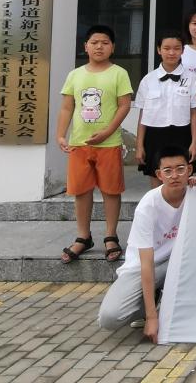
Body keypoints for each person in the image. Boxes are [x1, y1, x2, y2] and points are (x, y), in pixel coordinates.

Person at [98, 146, 196, 343]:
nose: (175, 176)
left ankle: (179, 308)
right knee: (109, 317)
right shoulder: (148, 205)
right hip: (146, 266)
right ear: (159, 175)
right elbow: (146, 263)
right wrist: (151, 317)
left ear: (189, 170)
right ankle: (152, 300)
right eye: (168, 171)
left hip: (181, 260)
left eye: (180, 169)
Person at [56, 24, 133, 263]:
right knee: (81, 190)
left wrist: (108, 131)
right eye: (94, 42)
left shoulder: (119, 73)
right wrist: (61, 135)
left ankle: (111, 236)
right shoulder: (75, 75)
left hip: (109, 143)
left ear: (113, 47)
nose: (99, 47)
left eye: (105, 43)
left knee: (111, 190)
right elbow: (67, 107)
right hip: (79, 143)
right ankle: (83, 236)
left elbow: (124, 105)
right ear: (86, 46)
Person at [134, 30, 196, 187]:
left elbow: (194, 113)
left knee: (183, 182)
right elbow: (143, 115)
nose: (171, 52)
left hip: (182, 135)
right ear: (159, 50)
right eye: (166, 48)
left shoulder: (192, 79)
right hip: (154, 136)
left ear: (182, 50)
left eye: (176, 48)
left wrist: (194, 142)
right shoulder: (148, 80)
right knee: (157, 182)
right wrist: (139, 145)